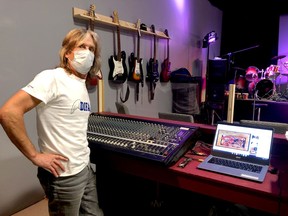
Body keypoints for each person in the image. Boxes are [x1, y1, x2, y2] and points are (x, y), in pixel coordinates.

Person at [0, 28, 104, 216]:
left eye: (91, 48)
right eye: (82, 46)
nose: (87, 52)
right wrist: (34, 156)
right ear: (67, 53)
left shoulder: (80, 84)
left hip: (84, 168)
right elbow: (9, 112)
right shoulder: (52, 78)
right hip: (63, 176)